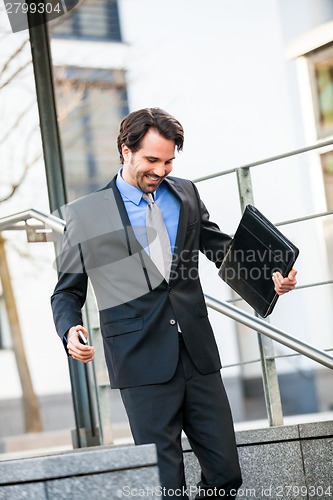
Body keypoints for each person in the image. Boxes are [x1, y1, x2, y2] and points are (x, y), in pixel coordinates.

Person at [51, 108, 297, 498]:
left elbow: (218, 246)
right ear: (125, 150)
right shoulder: (88, 214)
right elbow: (67, 290)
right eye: (152, 160)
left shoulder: (184, 193)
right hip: (140, 360)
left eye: (168, 161)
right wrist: (69, 329)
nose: (161, 170)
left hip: (197, 353)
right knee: (166, 486)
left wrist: (268, 273)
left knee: (226, 473)